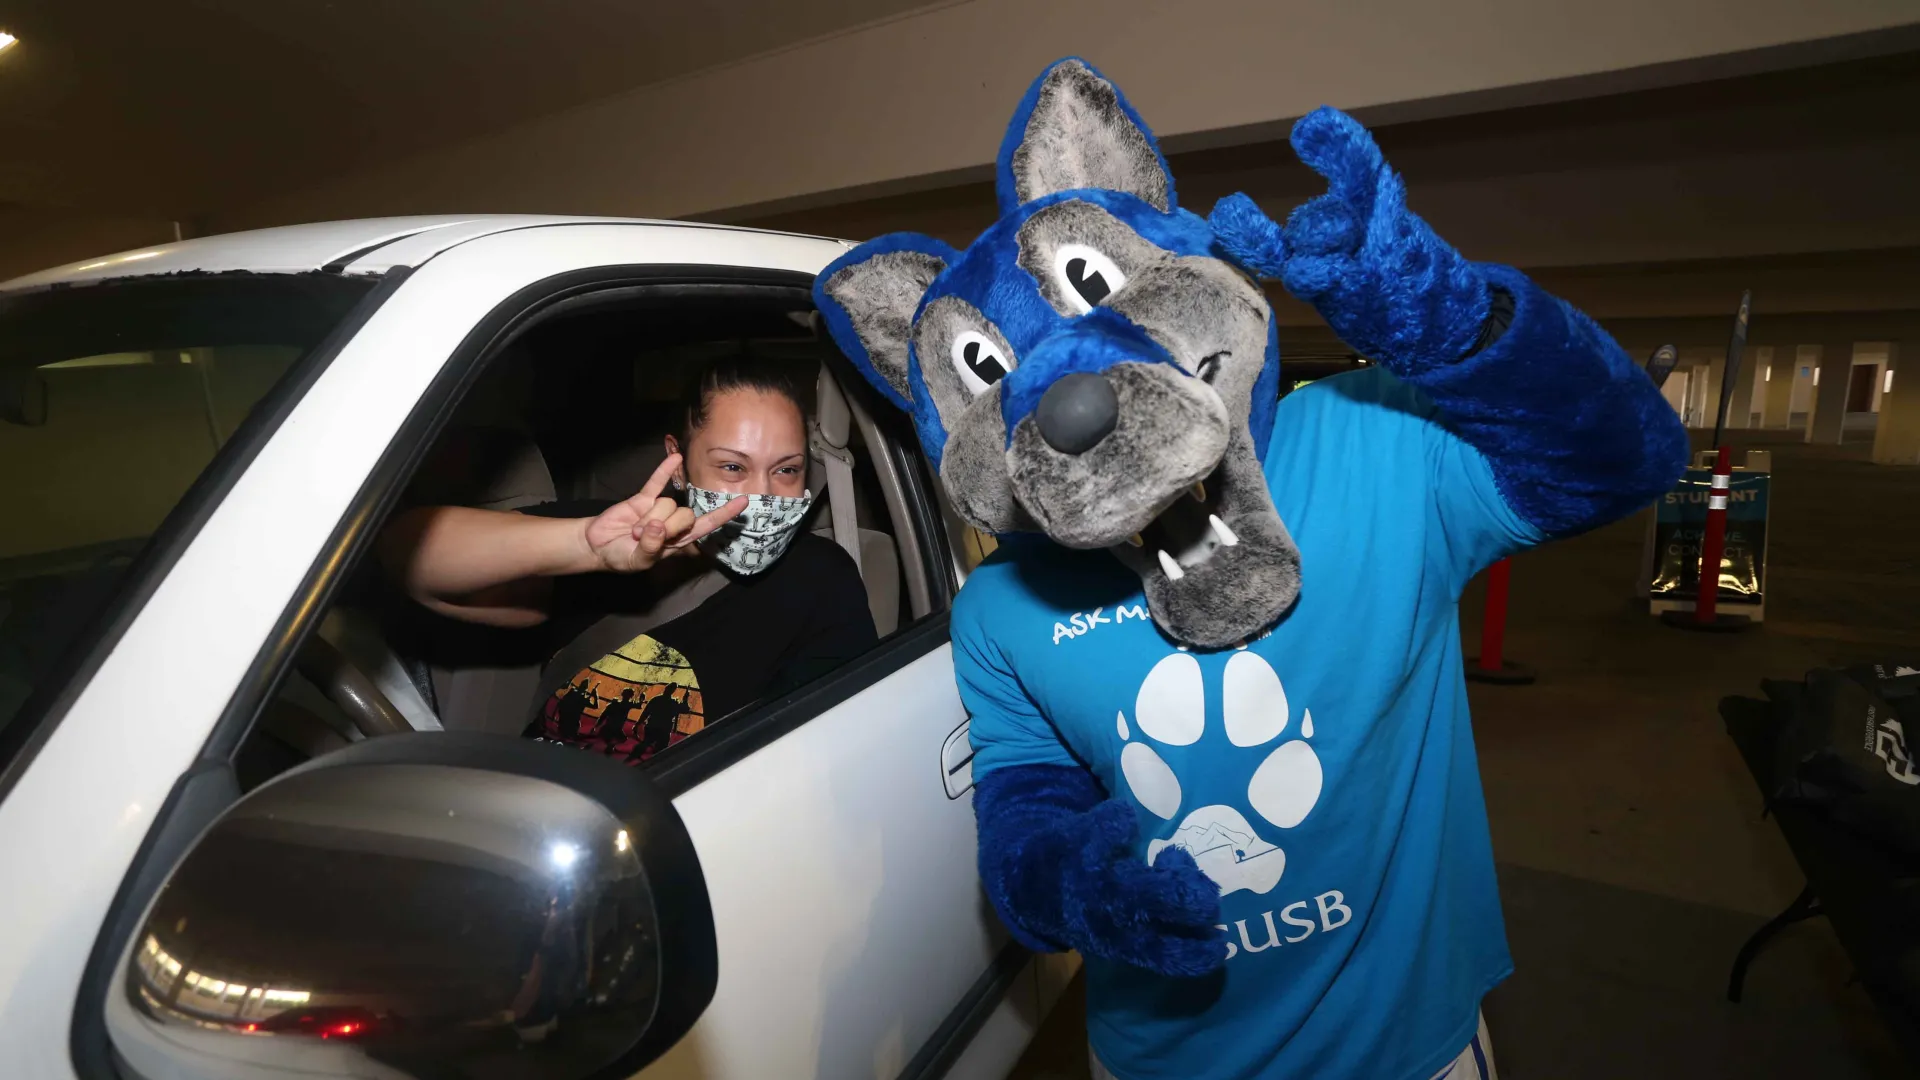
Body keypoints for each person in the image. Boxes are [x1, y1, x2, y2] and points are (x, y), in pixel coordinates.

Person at [380, 354, 878, 763]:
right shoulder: (617, 531)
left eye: (786, 471)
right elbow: (406, 553)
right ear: (677, 464)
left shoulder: (821, 580)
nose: (758, 497)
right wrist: (583, 547)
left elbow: (820, 755)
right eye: (732, 467)